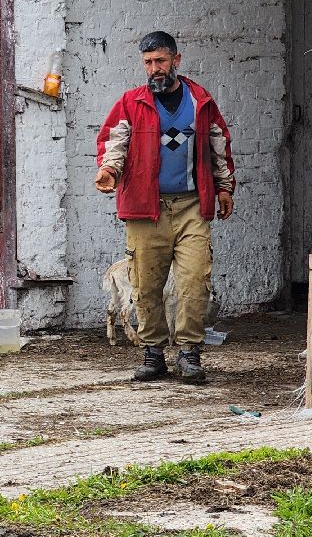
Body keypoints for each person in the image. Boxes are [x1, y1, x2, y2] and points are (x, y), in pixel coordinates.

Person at [94, 31, 235, 384]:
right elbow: (115, 141)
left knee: (194, 282)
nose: (154, 69)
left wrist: (224, 187)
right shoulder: (131, 103)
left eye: (160, 61)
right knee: (146, 285)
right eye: (148, 63)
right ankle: (153, 353)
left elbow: (219, 143)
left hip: (191, 206)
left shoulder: (200, 100)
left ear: (176, 59)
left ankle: (189, 355)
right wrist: (109, 169)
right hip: (145, 208)